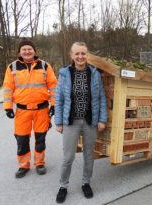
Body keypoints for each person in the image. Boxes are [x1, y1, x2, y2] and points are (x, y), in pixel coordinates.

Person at [54, 42, 107, 203]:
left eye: (83, 53)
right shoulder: (65, 74)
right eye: (77, 53)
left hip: (90, 120)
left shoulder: (94, 74)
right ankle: (63, 186)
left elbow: (101, 98)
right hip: (70, 121)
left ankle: (86, 183)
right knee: (68, 157)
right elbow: (59, 99)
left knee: (88, 155)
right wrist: (58, 122)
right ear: (71, 55)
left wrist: (102, 119)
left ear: (87, 55)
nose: (80, 57)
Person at [3, 38, 57, 178]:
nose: (27, 51)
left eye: (29, 49)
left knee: (40, 138)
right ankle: (23, 166)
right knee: (21, 139)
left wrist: (54, 104)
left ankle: (39, 163)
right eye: (24, 49)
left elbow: (53, 87)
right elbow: (8, 89)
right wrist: (8, 107)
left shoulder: (45, 66)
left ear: (34, 51)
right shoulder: (12, 68)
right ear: (19, 52)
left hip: (42, 110)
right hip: (22, 110)